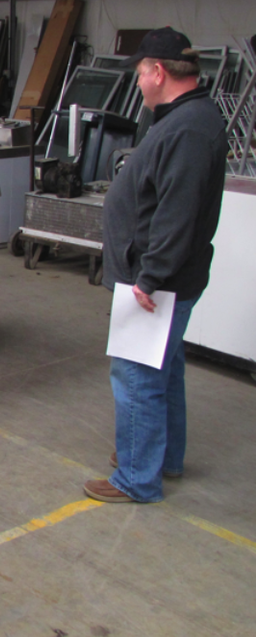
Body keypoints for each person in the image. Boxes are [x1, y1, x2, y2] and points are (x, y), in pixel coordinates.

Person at [83, 27, 228, 503]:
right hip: (163, 276)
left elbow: (176, 211)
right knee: (164, 369)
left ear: (159, 71)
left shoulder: (187, 128)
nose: (139, 82)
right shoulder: (186, 118)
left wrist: (150, 276)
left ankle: (137, 477)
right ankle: (161, 457)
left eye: (142, 72)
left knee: (136, 376)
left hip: (156, 281)